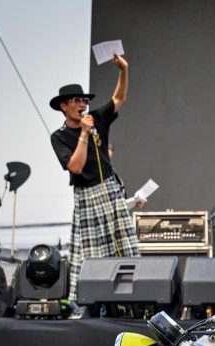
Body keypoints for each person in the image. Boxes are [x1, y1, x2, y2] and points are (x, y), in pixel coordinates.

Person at [49, 54, 139, 307]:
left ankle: (132, 299)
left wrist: (123, 70)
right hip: (86, 194)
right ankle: (90, 304)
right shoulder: (59, 136)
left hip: (109, 188)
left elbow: (119, 98)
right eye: (76, 101)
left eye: (84, 100)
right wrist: (84, 134)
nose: (82, 105)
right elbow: (75, 167)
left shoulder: (97, 118)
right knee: (91, 254)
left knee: (126, 245)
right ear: (64, 106)